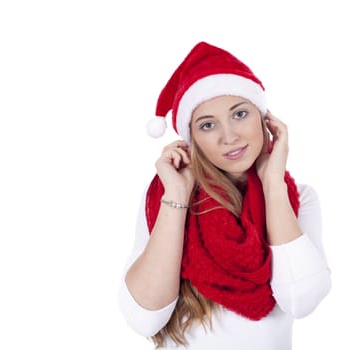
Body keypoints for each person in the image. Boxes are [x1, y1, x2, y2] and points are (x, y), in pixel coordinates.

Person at [118, 41, 331, 350]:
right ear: (192, 137)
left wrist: (273, 183)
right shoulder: (165, 197)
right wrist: (177, 194)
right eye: (207, 125)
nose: (229, 136)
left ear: (264, 119)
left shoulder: (298, 198)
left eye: (240, 114)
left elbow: (302, 299)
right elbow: (144, 318)